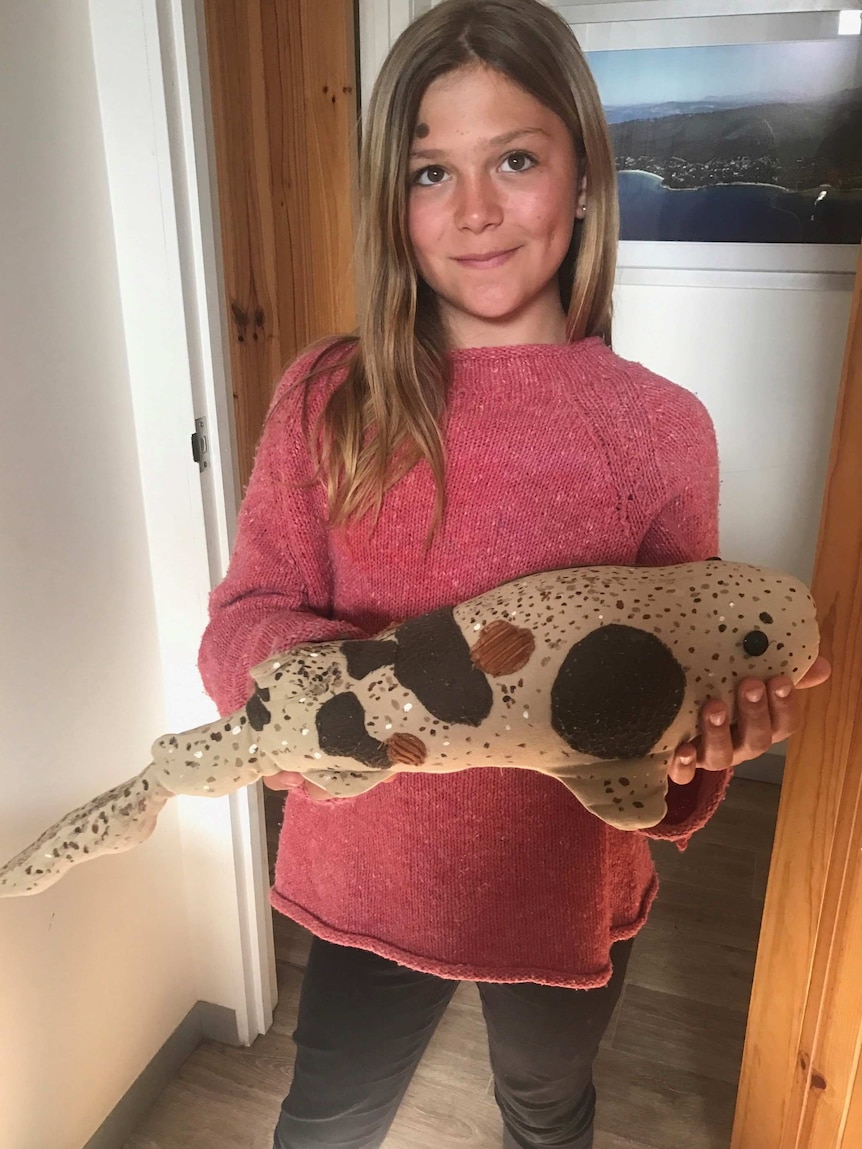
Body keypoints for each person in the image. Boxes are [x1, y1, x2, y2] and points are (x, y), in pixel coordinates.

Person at [198, 2, 830, 1147]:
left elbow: (659, 712)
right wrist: (325, 705)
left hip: (563, 882)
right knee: (329, 1115)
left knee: (546, 1107)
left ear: (584, 178)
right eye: (431, 172)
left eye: (517, 160)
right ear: (392, 203)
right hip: (366, 876)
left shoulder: (656, 431)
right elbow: (243, 617)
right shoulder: (329, 400)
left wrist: (706, 752)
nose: (475, 211)